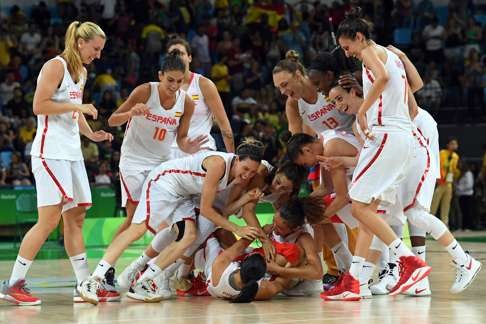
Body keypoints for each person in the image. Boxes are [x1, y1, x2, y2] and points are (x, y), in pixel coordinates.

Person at [320, 7, 432, 300]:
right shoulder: (391, 54)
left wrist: (363, 112)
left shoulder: (371, 52)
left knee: (358, 207)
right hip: (400, 135)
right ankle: (356, 281)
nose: (348, 54)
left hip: (387, 134)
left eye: (348, 47)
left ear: (359, 37)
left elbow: (380, 78)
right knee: (368, 211)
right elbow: (412, 89)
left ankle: (409, 262)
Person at [0, 21, 112, 306]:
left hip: (72, 153)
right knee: (49, 220)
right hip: (50, 153)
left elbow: (76, 113)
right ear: (80, 43)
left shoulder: (82, 72)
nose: (97, 55)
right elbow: (39, 105)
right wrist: (77, 107)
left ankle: (83, 284)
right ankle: (14, 283)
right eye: (95, 49)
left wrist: (91, 134)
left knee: (76, 218)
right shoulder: (55, 66)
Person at [78, 141, 264, 304]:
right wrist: (237, 228)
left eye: (252, 172)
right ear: (237, 159)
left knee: (189, 236)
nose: (247, 175)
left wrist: (245, 199)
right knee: (138, 229)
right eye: (245, 169)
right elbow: (207, 210)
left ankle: (146, 281)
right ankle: (94, 278)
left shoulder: (235, 177)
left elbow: (216, 211)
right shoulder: (218, 165)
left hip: (182, 195)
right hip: (163, 182)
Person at [107, 50, 207, 237]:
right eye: (170, 80)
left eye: (179, 81)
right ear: (160, 75)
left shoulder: (186, 102)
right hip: (134, 161)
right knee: (134, 218)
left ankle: (158, 263)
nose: (174, 85)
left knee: (163, 216)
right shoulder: (145, 91)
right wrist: (131, 114)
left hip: (161, 163)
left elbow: (181, 139)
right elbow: (112, 120)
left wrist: (189, 147)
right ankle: (107, 263)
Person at [167, 37, 234, 157]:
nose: (176, 57)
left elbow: (224, 125)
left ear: (189, 57)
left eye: (181, 54)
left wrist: (232, 158)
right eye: (172, 54)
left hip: (201, 151)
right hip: (170, 153)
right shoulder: (161, 88)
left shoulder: (203, 84)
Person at [430, 137, 460, 227]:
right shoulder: (442, 153)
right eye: (452, 143)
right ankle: (428, 226)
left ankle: (444, 226)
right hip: (440, 183)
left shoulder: (456, 157)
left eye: (455, 144)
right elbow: (437, 165)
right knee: (434, 205)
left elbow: (454, 170)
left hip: (449, 184)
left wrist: (456, 173)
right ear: (448, 145)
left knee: (446, 206)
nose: (454, 145)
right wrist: (437, 178)